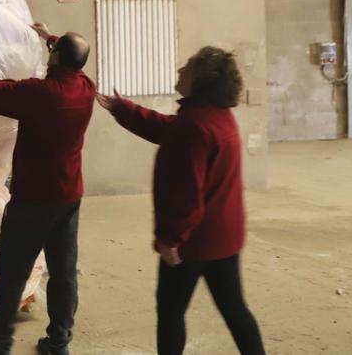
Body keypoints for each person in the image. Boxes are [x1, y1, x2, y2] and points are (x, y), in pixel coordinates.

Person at [97, 46, 266, 355]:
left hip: (193, 242)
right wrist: (123, 109)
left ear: (201, 80)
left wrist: (171, 239)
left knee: (171, 312)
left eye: (186, 68)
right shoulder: (214, 116)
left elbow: (185, 194)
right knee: (234, 309)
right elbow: (168, 129)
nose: (179, 71)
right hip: (224, 238)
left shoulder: (194, 126)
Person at [0, 23, 95, 355]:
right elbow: (71, 57)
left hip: (33, 198)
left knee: (13, 271)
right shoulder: (86, 88)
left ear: (56, 59)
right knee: (64, 273)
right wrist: (48, 38)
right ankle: (59, 342)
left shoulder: (38, 93)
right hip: (68, 196)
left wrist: (16, 77)